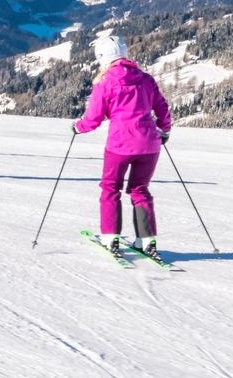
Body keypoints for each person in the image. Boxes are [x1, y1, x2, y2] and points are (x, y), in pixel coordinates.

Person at [73, 33, 173, 261]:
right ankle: (146, 241)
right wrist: (163, 130)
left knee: (110, 188)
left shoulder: (105, 82)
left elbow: (93, 119)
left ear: (101, 57)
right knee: (140, 190)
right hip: (149, 145)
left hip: (119, 145)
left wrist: (78, 127)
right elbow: (162, 108)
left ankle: (110, 237)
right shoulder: (146, 79)